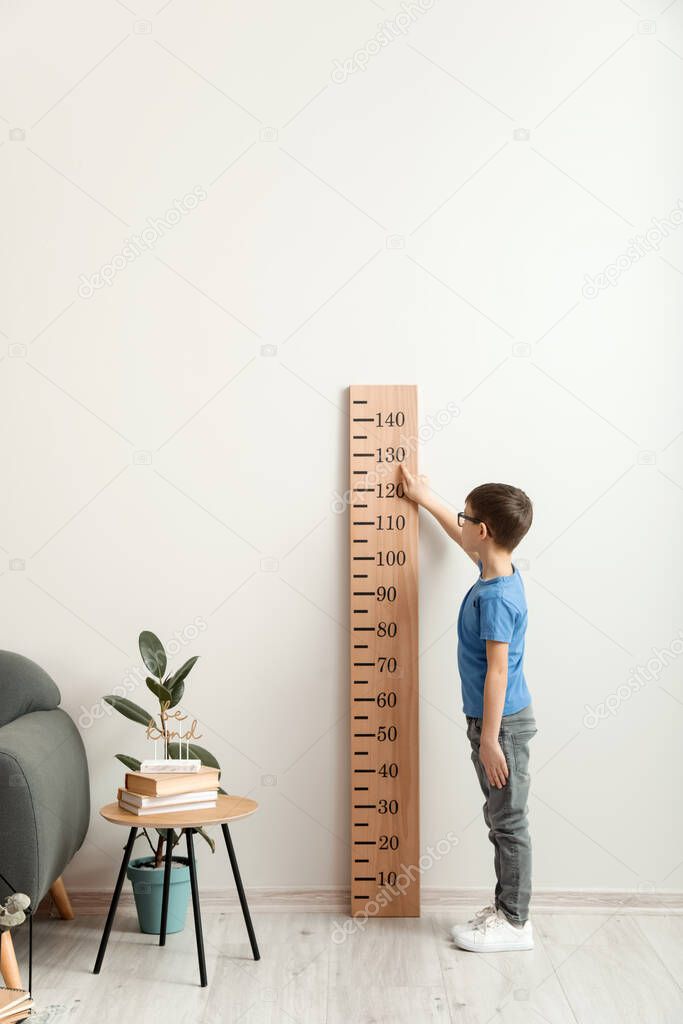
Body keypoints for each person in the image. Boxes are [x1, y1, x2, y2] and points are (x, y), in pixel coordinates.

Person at [399, 467, 537, 952]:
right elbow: (460, 540)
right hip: (494, 723)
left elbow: (497, 672)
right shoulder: (494, 568)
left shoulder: (497, 596)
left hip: (500, 727)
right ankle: (505, 910)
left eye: (465, 517)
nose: (460, 523)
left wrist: (488, 740)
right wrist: (424, 497)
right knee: (500, 816)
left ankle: (515, 923)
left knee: (508, 821)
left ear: (484, 532)